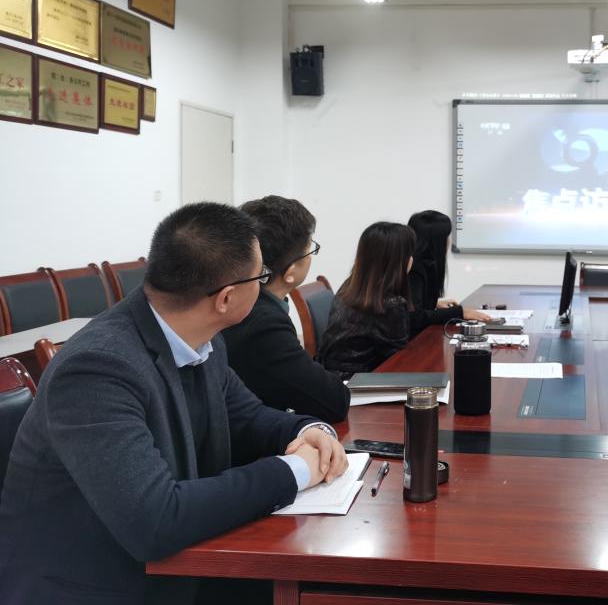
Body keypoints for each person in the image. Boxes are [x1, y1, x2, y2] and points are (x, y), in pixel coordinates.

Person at [0, 203, 348, 605]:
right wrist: (296, 470)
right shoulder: (96, 369)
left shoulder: (200, 337)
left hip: (175, 566)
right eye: (261, 275)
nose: (264, 284)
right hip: (95, 587)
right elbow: (155, 521)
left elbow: (246, 416)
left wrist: (309, 431)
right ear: (226, 298)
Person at [222, 196, 351, 425]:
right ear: (290, 272)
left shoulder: (240, 302)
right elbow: (333, 401)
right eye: (310, 250)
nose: (311, 256)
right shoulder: (263, 323)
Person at [320, 221, 477, 377]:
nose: (412, 259)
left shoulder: (351, 286)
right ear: (397, 261)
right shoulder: (390, 304)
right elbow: (399, 362)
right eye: (409, 254)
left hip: (333, 376)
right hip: (358, 381)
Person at [407, 210, 488, 329]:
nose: (449, 240)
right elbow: (414, 317)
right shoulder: (414, 269)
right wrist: (458, 312)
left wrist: (434, 305)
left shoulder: (424, 264)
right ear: (436, 240)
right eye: (447, 236)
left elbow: (414, 308)